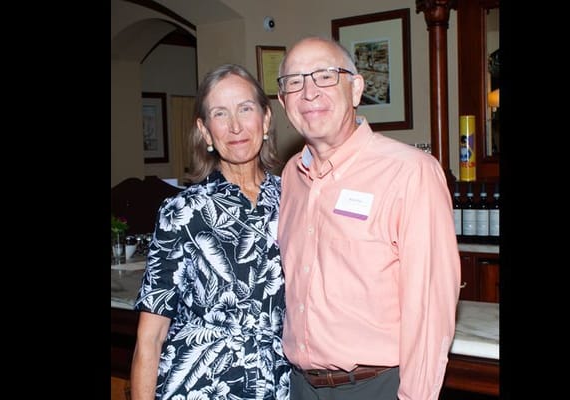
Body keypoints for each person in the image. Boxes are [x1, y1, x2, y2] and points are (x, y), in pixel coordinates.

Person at [274, 36, 462, 400]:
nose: (309, 92)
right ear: (284, 102)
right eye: (294, 82)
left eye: (325, 76)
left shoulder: (410, 172)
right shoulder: (291, 177)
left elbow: (430, 306)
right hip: (300, 386)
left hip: (377, 386)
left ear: (356, 89)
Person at [131, 64, 290, 400]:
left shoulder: (296, 198)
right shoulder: (181, 212)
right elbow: (150, 338)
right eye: (220, 114)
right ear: (205, 132)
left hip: (279, 385)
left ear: (265, 119)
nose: (235, 126)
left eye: (245, 109)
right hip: (198, 385)